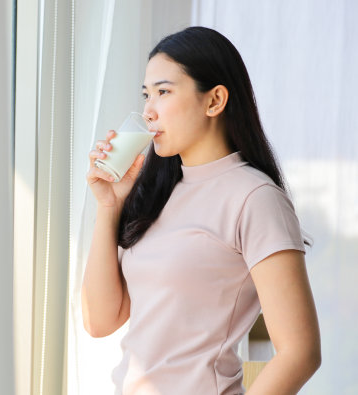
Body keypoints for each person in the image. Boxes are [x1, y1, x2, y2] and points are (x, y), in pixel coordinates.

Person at [82, 26, 321, 395]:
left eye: (163, 92)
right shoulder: (156, 193)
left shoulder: (255, 197)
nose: (148, 111)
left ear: (214, 101)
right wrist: (109, 205)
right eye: (146, 95)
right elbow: (100, 321)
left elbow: (300, 352)